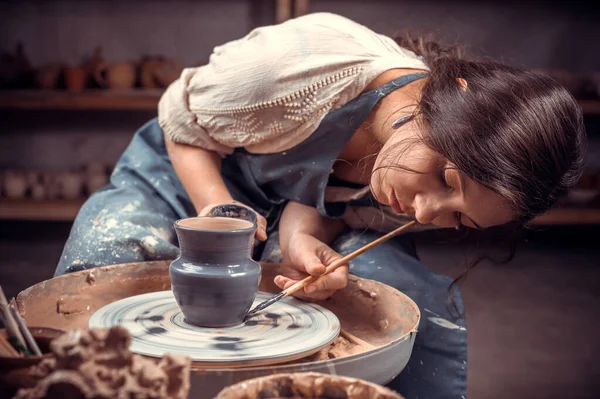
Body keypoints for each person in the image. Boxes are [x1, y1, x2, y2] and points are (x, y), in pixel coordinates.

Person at [54, 12, 585, 399]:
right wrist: (219, 211)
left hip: (283, 202)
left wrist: (303, 241)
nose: (425, 213)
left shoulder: (412, 180)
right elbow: (180, 118)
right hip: (192, 166)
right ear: (459, 99)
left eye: (458, 218)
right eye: (446, 177)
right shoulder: (299, 67)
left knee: (412, 303)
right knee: (112, 253)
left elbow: (328, 200)